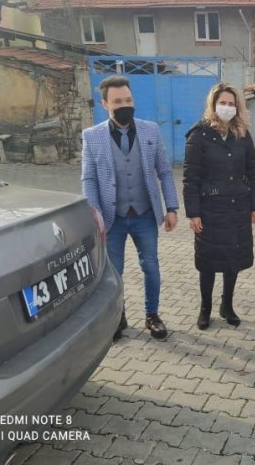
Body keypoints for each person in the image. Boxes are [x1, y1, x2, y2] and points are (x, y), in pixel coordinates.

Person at [82, 75, 179, 340]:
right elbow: (88, 178)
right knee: (114, 272)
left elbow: (164, 171)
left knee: (151, 266)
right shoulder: (91, 136)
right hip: (111, 217)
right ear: (105, 104)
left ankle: (152, 315)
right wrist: (94, 214)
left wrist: (171, 207)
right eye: (117, 101)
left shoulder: (150, 130)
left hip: (145, 215)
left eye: (128, 100)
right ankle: (118, 316)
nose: (124, 105)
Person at [183, 83, 255, 330]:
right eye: (222, 103)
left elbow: (253, 171)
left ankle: (227, 305)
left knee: (233, 259)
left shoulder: (242, 134)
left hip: (238, 208)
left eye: (231, 104)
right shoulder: (199, 135)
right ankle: (205, 308)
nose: (227, 107)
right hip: (210, 210)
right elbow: (191, 178)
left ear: (238, 107)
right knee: (207, 261)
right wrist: (193, 213)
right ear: (213, 105)